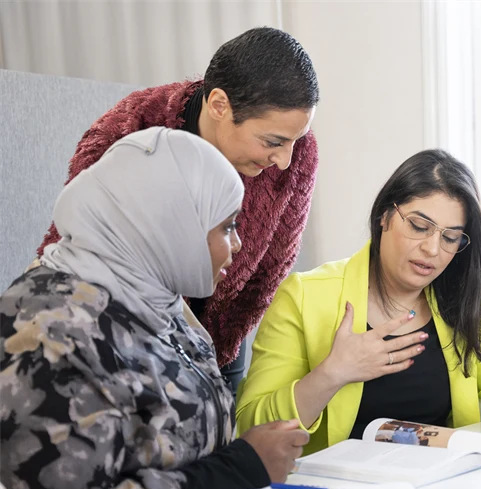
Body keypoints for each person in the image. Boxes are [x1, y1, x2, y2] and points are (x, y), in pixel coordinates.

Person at [0, 128, 309, 489]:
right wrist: (239, 468)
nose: (238, 244)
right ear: (171, 224)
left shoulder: (159, 301)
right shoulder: (47, 331)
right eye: (226, 226)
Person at [35, 27, 321, 394]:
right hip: (122, 336)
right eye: (273, 142)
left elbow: (271, 267)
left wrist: (211, 348)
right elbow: (81, 248)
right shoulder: (132, 130)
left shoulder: (296, 151)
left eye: (294, 142)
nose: (284, 161)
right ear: (219, 105)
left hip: (221, 335)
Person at [235, 149, 481, 454]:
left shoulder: (460, 298)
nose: (432, 249)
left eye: (450, 238)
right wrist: (332, 374)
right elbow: (252, 425)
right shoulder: (304, 295)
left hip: (443, 485)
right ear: (384, 215)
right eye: (418, 226)